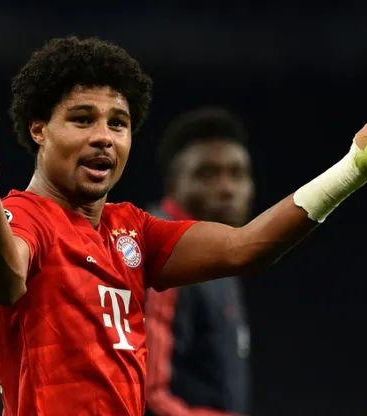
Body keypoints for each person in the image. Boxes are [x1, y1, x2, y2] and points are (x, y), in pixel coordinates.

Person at [0, 36, 367, 416]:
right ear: (40, 129)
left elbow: (247, 247)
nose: (104, 136)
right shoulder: (26, 217)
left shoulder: (132, 229)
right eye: (82, 119)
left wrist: (353, 168)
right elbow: (4, 279)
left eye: (118, 123)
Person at [145, 107, 254, 416]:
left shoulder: (216, 248)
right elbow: (147, 393)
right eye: (207, 174)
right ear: (174, 184)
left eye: (238, 174)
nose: (227, 189)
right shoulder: (165, 252)